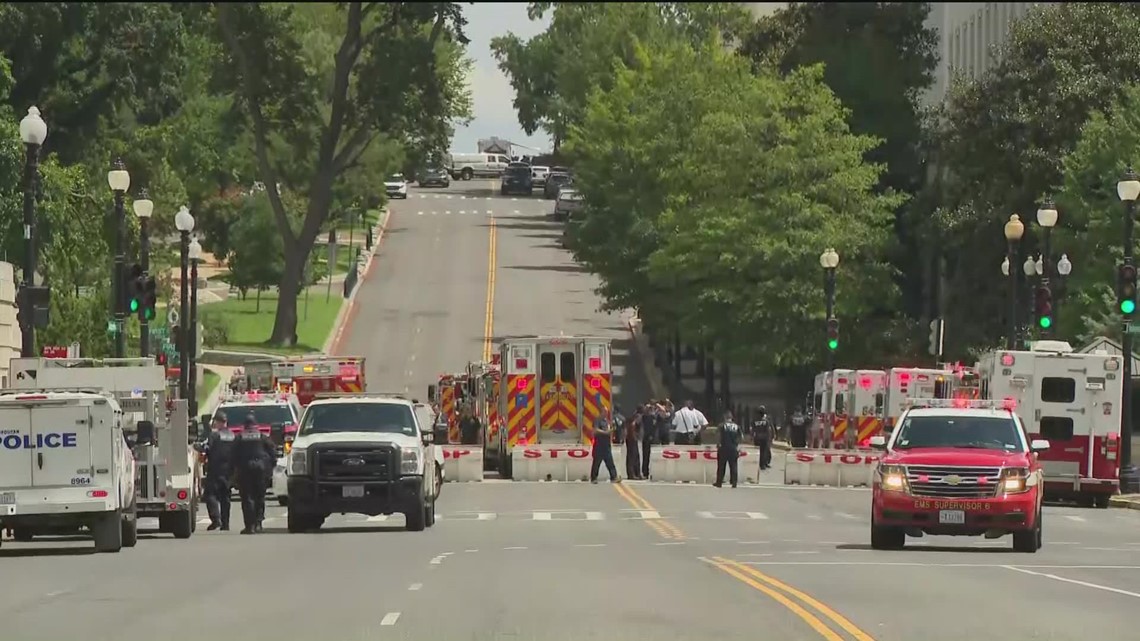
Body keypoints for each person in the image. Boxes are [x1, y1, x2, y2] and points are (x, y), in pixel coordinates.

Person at [233, 414, 276, 534]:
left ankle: (249, 526)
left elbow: (232, 455)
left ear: (244, 426)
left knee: (247, 498)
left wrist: (233, 471)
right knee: (260, 497)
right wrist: (270, 468)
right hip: (261, 470)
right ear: (255, 425)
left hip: (245, 469)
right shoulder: (262, 437)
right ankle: (258, 523)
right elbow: (273, 452)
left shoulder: (240, 437)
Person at [202, 414, 235, 531]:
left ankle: (216, 519)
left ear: (219, 422)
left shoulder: (214, 435)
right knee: (225, 497)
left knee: (210, 494)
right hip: (228, 471)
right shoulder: (232, 436)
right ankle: (226, 524)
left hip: (215, 469)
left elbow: (205, 448)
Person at [589, 413, 620, 484]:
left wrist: (612, 430)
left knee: (610, 462)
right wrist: (605, 432)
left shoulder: (607, 421)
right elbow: (595, 430)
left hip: (606, 445)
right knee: (596, 462)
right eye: (604, 412)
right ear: (601, 412)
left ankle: (614, 477)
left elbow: (610, 430)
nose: (606, 413)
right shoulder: (597, 420)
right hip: (599, 444)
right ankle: (594, 478)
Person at [714, 411, 742, 488]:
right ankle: (734, 482)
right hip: (733, 448)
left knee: (721, 466)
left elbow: (718, 435)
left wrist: (718, 444)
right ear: (731, 417)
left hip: (723, 448)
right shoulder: (737, 426)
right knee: (733, 466)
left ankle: (719, 482)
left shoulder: (721, 425)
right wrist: (738, 446)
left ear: (725, 417)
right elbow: (740, 437)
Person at [752, 406, 773, 471]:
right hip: (764, 438)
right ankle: (763, 464)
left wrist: (752, 437)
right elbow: (768, 430)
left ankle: (763, 463)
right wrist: (770, 438)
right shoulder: (766, 421)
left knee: (762, 452)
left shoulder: (754, 421)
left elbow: (752, 430)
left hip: (758, 437)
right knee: (764, 451)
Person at [625, 407, 643, 480]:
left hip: (633, 440)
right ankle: (631, 474)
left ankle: (637, 473)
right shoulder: (633, 422)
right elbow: (632, 431)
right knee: (632, 457)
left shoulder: (634, 420)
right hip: (631, 440)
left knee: (636, 457)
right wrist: (635, 437)